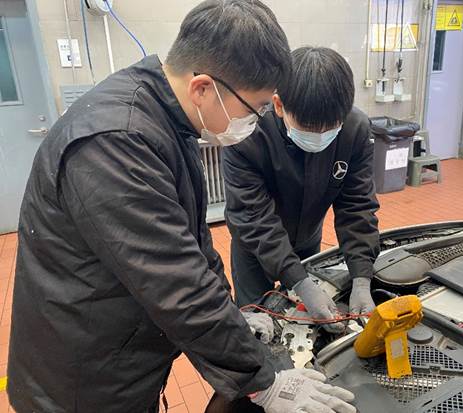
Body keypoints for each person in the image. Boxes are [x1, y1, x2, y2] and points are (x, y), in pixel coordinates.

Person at [7, 2, 356, 413]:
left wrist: (230, 314)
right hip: (83, 378)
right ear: (203, 88)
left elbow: (193, 245)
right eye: (257, 107)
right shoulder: (116, 143)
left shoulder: (168, 120)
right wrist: (264, 382)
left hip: (119, 352)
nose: (260, 119)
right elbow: (176, 284)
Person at [223, 47, 381, 333]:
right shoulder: (246, 135)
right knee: (257, 325)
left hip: (307, 238)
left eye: (331, 127)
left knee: (306, 328)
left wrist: (361, 277)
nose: (320, 136)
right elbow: (253, 217)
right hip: (255, 246)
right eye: (308, 127)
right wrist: (301, 284)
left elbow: (357, 206)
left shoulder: (355, 129)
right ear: (279, 105)